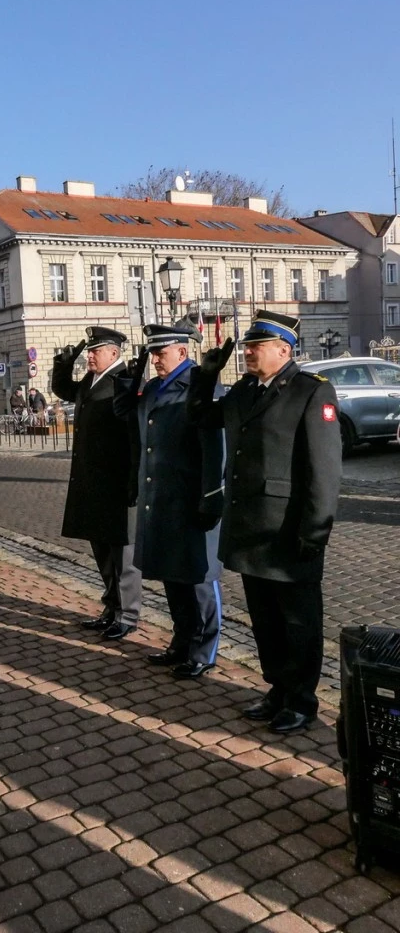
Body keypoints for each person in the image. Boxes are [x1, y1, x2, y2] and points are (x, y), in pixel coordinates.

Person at [188, 309, 342, 733]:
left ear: (283, 350)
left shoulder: (311, 393)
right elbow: (201, 417)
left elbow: (324, 472)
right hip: (252, 530)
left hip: (289, 532)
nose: (248, 352)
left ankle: (302, 699)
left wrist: (315, 532)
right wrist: (206, 373)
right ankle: (277, 688)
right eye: (248, 346)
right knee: (266, 620)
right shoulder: (244, 390)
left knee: (299, 622)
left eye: (256, 346)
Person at [114, 324, 224, 679]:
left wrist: (211, 494)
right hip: (160, 497)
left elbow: (214, 444)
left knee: (199, 579)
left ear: (182, 351)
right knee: (172, 576)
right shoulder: (155, 387)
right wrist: (127, 383)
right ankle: (181, 641)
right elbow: (124, 415)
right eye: (153, 353)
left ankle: (204, 650)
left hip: (190, 497)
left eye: (161, 353)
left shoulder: (199, 384)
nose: (156, 359)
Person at [52, 326, 141, 640]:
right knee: (102, 552)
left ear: (113, 354)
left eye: (95, 351)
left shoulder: (125, 382)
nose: (89, 356)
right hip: (92, 484)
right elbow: (64, 389)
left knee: (123, 556)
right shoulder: (91, 381)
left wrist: (134, 481)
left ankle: (128, 615)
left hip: (117, 484)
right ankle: (111, 608)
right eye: (89, 350)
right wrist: (64, 363)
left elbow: (135, 437)